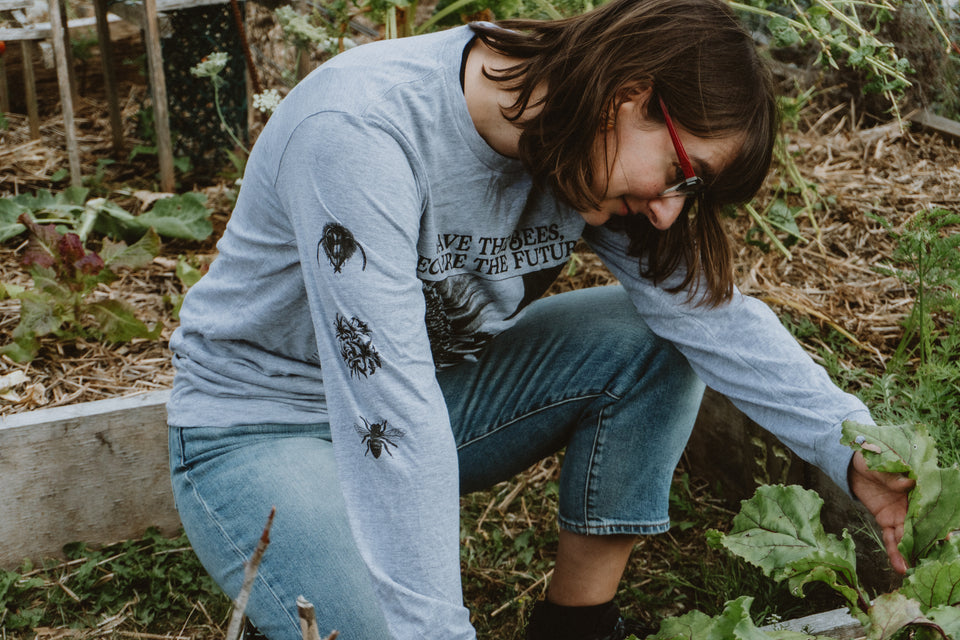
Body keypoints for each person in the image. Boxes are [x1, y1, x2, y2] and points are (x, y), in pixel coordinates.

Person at [166, 0, 914, 638]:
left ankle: (575, 625)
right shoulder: (361, 130)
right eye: (682, 175)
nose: (667, 212)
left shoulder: (577, 142)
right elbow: (389, 417)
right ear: (629, 94)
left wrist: (853, 448)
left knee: (649, 340)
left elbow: (711, 317)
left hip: (432, 396)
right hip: (262, 426)